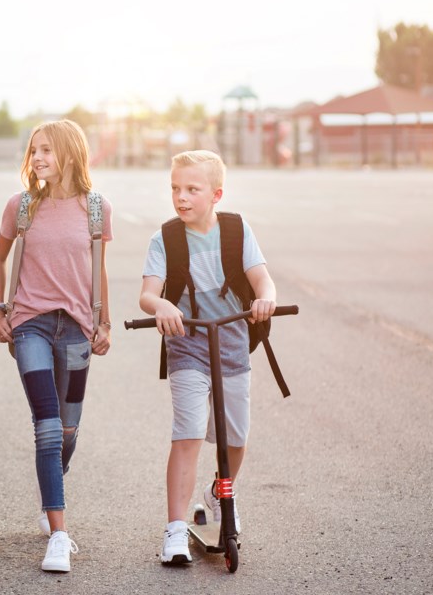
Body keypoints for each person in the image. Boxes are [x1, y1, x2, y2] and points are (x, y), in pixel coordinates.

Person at [138, 150, 277, 564]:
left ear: (215, 194)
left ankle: (219, 490)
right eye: (175, 189)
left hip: (232, 342)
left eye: (192, 190)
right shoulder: (164, 238)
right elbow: (148, 292)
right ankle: (176, 529)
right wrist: (160, 305)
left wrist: (267, 300)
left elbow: (262, 279)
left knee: (236, 440)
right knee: (188, 434)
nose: (181, 197)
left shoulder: (235, 231)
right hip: (187, 343)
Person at [0, 120, 113, 573]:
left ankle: (49, 494)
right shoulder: (21, 206)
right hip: (31, 327)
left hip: (78, 329)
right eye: (34, 150)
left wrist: (105, 322)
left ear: (70, 155)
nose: (38, 157)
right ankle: (59, 534)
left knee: (68, 429)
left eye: (47, 150)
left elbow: (98, 268)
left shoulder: (96, 209)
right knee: (46, 424)